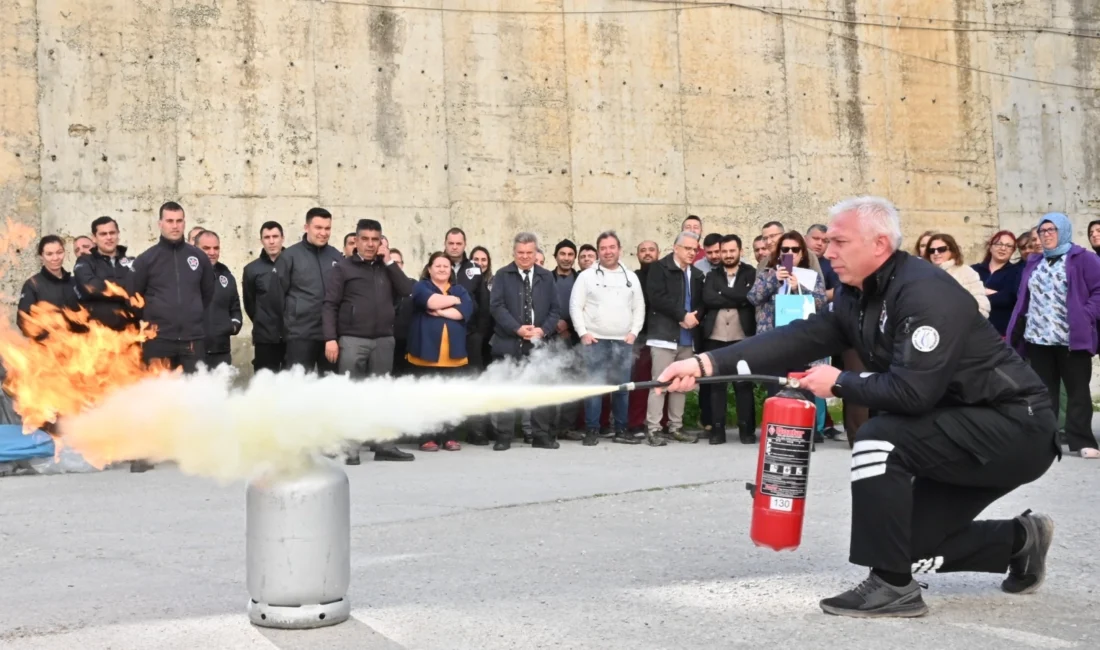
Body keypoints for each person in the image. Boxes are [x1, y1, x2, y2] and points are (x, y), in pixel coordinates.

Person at [655, 196, 1059, 619]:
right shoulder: (856, 293)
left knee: (878, 438)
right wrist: (705, 363)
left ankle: (891, 587)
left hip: (1016, 426)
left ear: (879, 243)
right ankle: (1020, 541)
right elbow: (803, 336)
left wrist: (841, 383)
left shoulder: (924, 294)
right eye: (828, 242)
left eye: (839, 243)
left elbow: (913, 393)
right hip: (961, 425)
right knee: (904, 544)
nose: (827, 252)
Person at [323, 218, 416, 464]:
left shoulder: (387, 267)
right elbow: (329, 305)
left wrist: (389, 261)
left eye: (375, 240)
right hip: (352, 340)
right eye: (365, 239)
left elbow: (407, 290)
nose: (370, 244)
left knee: (382, 394)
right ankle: (350, 448)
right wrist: (330, 339)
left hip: (384, 340)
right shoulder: (343, 268)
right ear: (356, 241)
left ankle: (384, 445)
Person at [569, 231, 645, 446]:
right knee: (594, 387)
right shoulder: (586, 276)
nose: (608, 251)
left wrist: (634, 333)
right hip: (596, 341)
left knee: (621, 389)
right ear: (598, 251)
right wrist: (583, 332)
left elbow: (639, 306)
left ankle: (621, 429)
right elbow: (575, 305)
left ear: (619, 250)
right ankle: (592, 430)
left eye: (612, 247)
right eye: (603, 248)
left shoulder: (631, 277)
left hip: (623, 341)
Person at [488, 232, 561, 451]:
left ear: (536, 252)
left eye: (529, 253)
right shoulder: (502, 275)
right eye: (520, 253)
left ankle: (541, 436)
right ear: (514, 252)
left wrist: (543, 330)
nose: (525, 257)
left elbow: (554, 309)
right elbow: (496, 307)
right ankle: (504, 436)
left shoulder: (546, 277)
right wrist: (517, 329)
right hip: (509, 342)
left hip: (538, 345)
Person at [131, 201, 216, 372]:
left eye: (179, 221)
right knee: (159, 396)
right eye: (170, 221)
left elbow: (207, 293)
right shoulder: (146, 259)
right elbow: (133, 298)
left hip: (192, 340)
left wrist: (191, 313)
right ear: (160, 224)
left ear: (184, 223)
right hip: (158, 341)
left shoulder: (199, 257)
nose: (175, 226)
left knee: (193, 394)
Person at [406, 252, 476, 451]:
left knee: (450, 398)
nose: (442, 269)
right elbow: (430, 302)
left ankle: (449, 437)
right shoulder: (421, 287)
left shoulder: (459, 289)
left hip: (453, 357)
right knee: (426, 398)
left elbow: (464, 312)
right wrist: (453, 301)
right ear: (429, 269)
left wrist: (442, 311)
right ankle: (427, 437)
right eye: (438, 266)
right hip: (425, 355)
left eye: (446, 266)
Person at [643, 231, 704, 446]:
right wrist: (681, 315)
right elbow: (656, 297)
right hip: (664, 336)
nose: (691, 253)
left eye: (694, 249)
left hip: (687, 338)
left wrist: (694, 317)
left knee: (681, 385)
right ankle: (653, 429)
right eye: (687, 248)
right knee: (660, 384)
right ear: (675, 248)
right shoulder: (659, 268)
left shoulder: (696, 274)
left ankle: (675, 427)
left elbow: (702, 302)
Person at [271, 207, 344, 373]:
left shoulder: (336, 256)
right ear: (306, 227)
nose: (323, 233)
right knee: (298, 387)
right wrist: (289, 326)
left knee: (330, 386)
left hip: (330, 337)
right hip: (300, 336)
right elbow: (275, 297)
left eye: (327, 228)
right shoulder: (289, 256)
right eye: (318, 228)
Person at [73, 216, 137, 331]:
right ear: (94, 238)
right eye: (103, 234)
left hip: (129, 335)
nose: (109, 237)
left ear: (118, 234)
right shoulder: (84, 262)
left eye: (112, 233)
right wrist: (126, 290)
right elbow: (91, 288)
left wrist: (106, 289)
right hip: (98, 337)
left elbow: (140, 289)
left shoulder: (133, 262)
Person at [242, 221, 286, 373]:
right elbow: (250, 303)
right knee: (265, 384)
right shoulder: (251, 269)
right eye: (267, 237)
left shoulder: (294, 264)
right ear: (261, 240)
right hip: (265, 338)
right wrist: (263, 321)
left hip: (292, 335)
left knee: (293, 384)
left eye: (275, 236)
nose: (272, 241)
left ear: (283, 238)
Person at [18, 235, 80, 339]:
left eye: (59, 252)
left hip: (78, 347)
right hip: (48, 350)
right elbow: (23, 320)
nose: (55, 258)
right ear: (41, 256)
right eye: (49, 254)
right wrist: (48, 336)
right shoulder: (32, 285)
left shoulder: (74, 282)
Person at [195, 231, 242, 368]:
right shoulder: (185, 275)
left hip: (221, 352)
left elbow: (235, 309)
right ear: (195, 248)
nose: (212, 252)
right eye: (206, 248)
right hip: (193, 353)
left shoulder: (226, 276)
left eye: (216, 248)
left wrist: (232, 326)